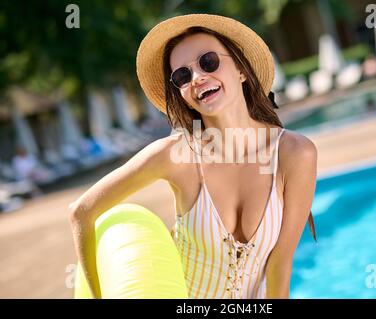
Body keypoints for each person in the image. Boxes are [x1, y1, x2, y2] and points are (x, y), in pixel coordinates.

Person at [69, 14, 317, 299]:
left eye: (208, 62)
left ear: (241, 70)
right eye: (182, 76)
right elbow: (81, 212)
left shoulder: (295, 154)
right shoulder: (176, 155)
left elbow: (279, 267)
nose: (197, 78)